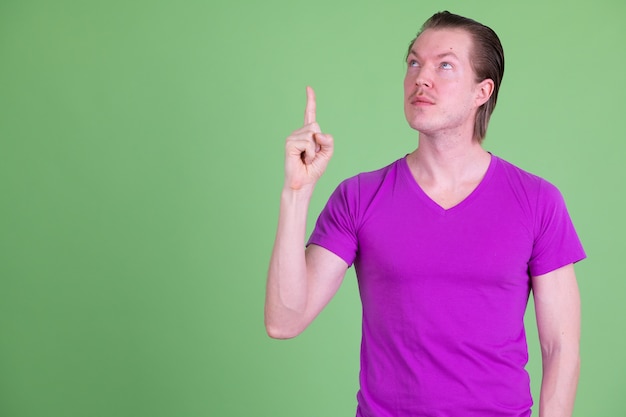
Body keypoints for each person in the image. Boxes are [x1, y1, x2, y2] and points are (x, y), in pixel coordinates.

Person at [265, 10, 585, 417]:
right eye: (414, 62)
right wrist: (296, 192)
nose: (422, 78)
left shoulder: (538, 201)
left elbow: (561, 348)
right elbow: (284, 321)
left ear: (481, 91)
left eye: (444, 65)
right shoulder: (360, 197)